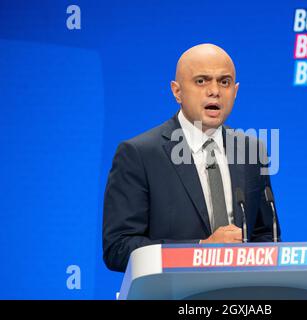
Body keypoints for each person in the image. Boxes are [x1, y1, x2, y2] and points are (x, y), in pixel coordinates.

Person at [103, 43, 281, 272]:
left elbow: (267, 234)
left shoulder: (251, 151)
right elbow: (118, 248)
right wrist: (200, 250)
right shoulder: (139, 154)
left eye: (224, 82)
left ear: (235, 91)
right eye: (201, 81)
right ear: (177, 91)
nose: (214, 90)